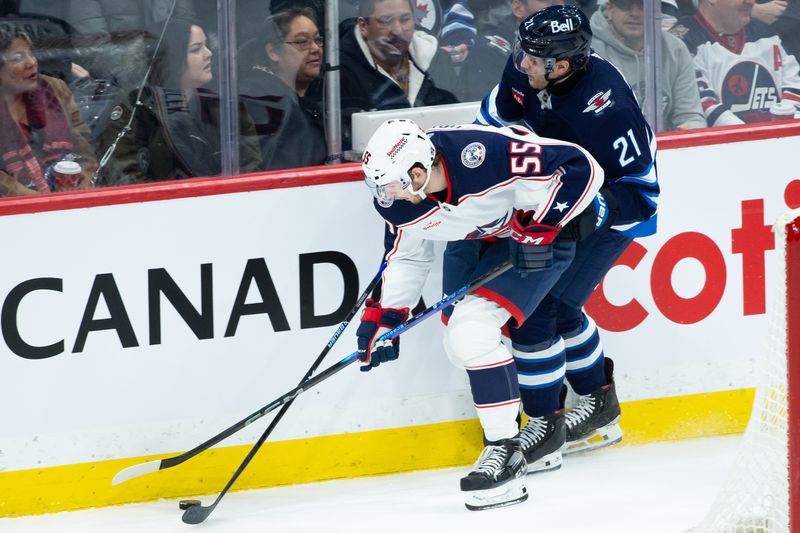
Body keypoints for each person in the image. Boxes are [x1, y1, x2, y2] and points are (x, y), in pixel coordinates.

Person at [357, 118, 605, 510]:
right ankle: (530, 435)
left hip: (535, 238)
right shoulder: (398, 200)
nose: (386, 195)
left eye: (391, 184)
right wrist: (386, 318)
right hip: (479, 240)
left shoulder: (485, 154)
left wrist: (542, 225)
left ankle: (506, 453)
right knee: (461, 342)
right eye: (379, 186)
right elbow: (405, 254)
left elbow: (581, 167)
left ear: (418, 171)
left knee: (471, 332)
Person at [471, 5, 659, 471]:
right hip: (556, 197)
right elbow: (494, 119)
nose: (523, 64)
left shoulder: (606, 107)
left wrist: (586, 212)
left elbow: (643, 196)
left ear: (565, 63)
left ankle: (545, 423)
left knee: (538, 306)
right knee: (558, 306)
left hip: (613, 211)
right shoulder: (529, 68)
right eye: (524, 54)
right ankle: (599, 404)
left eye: (536, 60)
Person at [98, 19, 261, 185]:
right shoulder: (135, 106)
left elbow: (250, 164)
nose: (209, 53)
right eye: (197, 49)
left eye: (207, 45)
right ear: (174, 58)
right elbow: (123, 175)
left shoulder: (222, 102)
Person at [338, 0, 459, 149]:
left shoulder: (436, 60)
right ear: (364, 26)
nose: (398, 30)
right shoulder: (339, 71)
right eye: (386, 21)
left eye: (405, 19)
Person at [670, 0, 800, 125]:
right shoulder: (680, 43)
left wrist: (784, 126)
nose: (751, 2)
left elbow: (794, 85)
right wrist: (753, 138)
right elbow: (702, 106)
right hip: (720, 146)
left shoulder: (766, 33)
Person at [0, 32, 98, 196]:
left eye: (31, 54)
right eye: (18, 58)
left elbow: (84, 148)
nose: (31, 63)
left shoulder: (55, 89)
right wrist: (39, 200)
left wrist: (83, 184)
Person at [590, 0, 706, 131]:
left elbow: (691, 117)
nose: (634, 13)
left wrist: (685, 134)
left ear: (656, 11)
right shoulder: (585, 53)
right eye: (625, 4)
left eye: (643, 5)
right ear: (610, 9)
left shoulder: (675, 49)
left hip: (664, 147)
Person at [238, 7, 327, 170]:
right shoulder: (259, 98)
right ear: (273, 52)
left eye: (318, 40)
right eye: (302, 42)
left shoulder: (324, 90)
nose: (315, 48)